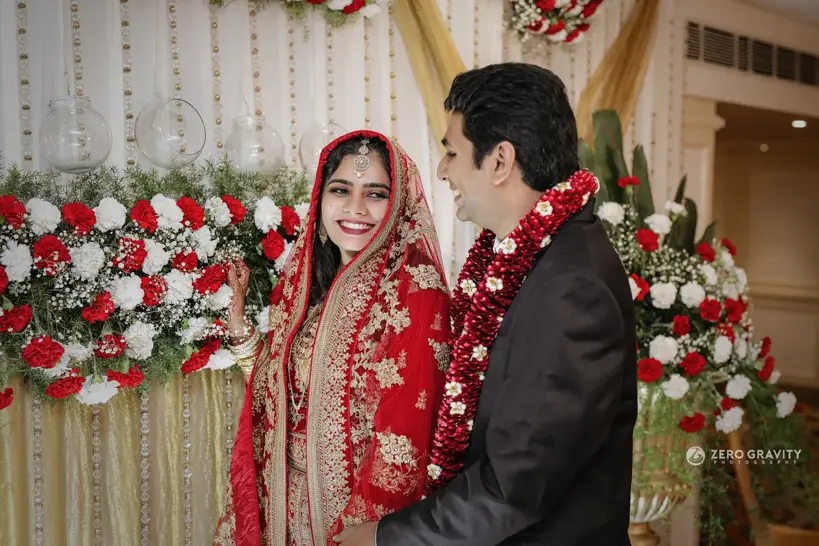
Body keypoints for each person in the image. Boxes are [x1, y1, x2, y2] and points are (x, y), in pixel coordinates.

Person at [335, 64, 637, 546]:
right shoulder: (533, 256)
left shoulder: (571, 285)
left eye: (452, 152)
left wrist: (384, 538)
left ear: (500, 160)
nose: (443, 169)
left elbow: (515, 488)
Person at [213, 130, 451, 546]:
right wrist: (237, 322)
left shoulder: (416, 292)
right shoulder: (310, 288)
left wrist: (364, 532)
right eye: (341, 189)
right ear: (321, 197)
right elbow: (281, 392)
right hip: (286, 503)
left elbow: (405, 440)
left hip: (351, 519)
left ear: (398, 205)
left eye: (375, 194)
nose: (355, 208)